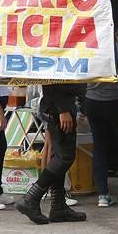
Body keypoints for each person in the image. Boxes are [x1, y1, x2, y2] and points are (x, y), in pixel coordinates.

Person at [85, 22, 118, 209]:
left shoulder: (89, 48)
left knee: (99, 147)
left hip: (92, 101)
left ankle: (103, 195)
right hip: (116, 102)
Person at [16, 82, 87, 224]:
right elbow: (51, 80)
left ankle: (58, 206)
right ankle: (31, 198)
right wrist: (62, 110)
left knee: (59, 156)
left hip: (60, 105)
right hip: (58, 107)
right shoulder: (58, 59)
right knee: (64, 158)